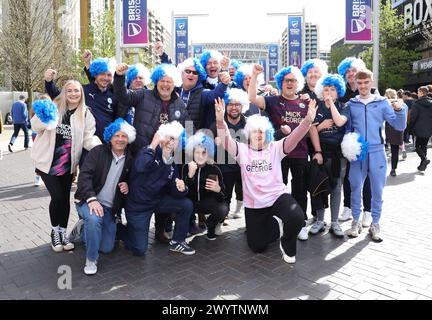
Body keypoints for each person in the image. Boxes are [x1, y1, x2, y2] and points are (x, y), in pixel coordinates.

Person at [214, 96, 317, 264]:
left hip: (277, 196)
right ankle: (276, 224)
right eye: (255, 131)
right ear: (249, 134)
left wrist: (307, 121)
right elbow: (225, 139)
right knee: (258, 246)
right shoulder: (241, 150)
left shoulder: (276, 148)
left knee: (297, 218)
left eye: (262, 131)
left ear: (267, 133)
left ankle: (288, 244)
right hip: (255, 203)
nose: (258, 134)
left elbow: (295, 137)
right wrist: (220, 121)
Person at [328, 69, 407, 242]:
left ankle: (375, 223)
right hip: (358, 153)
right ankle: (355, 222)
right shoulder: (351, 103)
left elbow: (399, 125)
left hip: (377, 151)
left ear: (371, 82)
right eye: (360, 83)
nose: (363, 86)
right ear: (355, 83)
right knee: (355, 188)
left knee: (377, 190)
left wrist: (401, 109)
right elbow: (341, 121)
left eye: (366, 82)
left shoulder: (382, 102)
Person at [248, 64, 322, 241]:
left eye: (293, 80)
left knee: (300, 191)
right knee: (275, 190)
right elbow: (252, 98)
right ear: (281, 82)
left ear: (298, 83)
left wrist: (317, 150)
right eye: (286, 80)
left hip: (300, 154)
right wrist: (254, 76)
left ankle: (301, 223)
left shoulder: (306, 102)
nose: (289, 83)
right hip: (277, 154)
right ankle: (278, 221)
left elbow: (312, 128)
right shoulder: (273, 100)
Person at [30, 80, 101, 252]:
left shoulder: (85, 113)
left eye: (76, 91)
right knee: (58, 197)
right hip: (47, 161)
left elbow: (88, 138)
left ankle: (63, 233)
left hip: (68, 165)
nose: (73, 94)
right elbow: (34, 126)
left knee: (65, 199)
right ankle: (55, 233)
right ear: (64, 92)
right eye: (69, 90)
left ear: (81, 93)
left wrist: (101, 149)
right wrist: (47, 120)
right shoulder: (53, 107)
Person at [73, 118, 134, 275]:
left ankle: (82, 229)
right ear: (110, 137)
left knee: (107, 247)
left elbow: (132, 180)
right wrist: (92, 199)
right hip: (88, 200)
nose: (120, 139)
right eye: (116, 135)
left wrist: (127, 185)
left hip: (109, 208)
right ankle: (91, 259)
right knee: (93, 219)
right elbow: (84, 177)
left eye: (124, 136)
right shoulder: (98, 152)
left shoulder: (130, 159)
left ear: (129, 139)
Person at [124, 121, 195, 256]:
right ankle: (118, 230)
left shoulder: (172, 162)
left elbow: (174, 191)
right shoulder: (148, 152)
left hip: (156, 201)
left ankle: (178, 242)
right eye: (169, 137)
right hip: (138, 206)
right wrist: (153, 144)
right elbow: (140, 166)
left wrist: (183, 187)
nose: (170, 142)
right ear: (161, 138)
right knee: (139, 249)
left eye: (175, 140)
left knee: (186, 204)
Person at [113, 63, 190, 155]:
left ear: (174, 84)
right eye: (162, 81)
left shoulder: (180, 103)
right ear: (156, 82)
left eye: (169, 81)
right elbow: (123, 96)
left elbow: (189, 126)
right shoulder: (143, 94)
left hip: (166, 158)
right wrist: (119, 77)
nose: (165, 84)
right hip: (141, 154)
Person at [44, 56, 120, 142]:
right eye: (102, 74)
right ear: (95, 75)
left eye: (109, 75)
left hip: (107, 144)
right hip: (85, 143)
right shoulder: (83, 90)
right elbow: (60, 97)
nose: (106, 78)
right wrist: (49, 82)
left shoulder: (114, 95)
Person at [308, 74, 347, 238]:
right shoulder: (315, 106)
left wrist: (332, 106)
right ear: (320, 91)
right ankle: (320, 220)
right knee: (319, 187)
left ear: (338, 91)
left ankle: (335, 222)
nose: (329, 92)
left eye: (332, 89)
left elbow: (339, 122)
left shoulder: (344, 106)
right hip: (321, 154)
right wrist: (317, 151)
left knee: (337, 188)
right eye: (326, 89)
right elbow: (311, 130)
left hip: (339, 156)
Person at [337, 57, 372, 225]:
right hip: (347, 142)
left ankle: (368, 211)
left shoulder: (369, 90)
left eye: (353, 70)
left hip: (367, 140)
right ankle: (348, 206)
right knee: (348, 176)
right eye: (347, 71)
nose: (350, 74)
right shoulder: (341, 92)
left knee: (367, 176)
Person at [182, 131, 228, 240]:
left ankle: (210, 225)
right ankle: (187, 225)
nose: (200, 156)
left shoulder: (214, 169)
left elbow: (223, 196)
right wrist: (190, 176)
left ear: (208, 153)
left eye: (204, 152)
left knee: (223, 208)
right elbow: (182, 192)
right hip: (191, 203)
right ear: (192, 153)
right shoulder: (186, 167)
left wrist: (218, 189)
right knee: (177, 208)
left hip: (207, 202)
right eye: (197, 152)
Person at [384, 89, 407, 176]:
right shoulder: (402, 104)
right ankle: (393, 169)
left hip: (387, 128)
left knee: (382, 149)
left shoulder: (385, 104)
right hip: (398, 129)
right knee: (395, 150)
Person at [410, 86, 432, 171]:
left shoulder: (416, 103)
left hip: (418, 127)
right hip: (429, 127)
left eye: (418, 92)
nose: (417, 94)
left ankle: (424, 160)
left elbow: (413, 117)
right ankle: (423, 164)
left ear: (422, 93)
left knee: (417, 146)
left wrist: (410, 126)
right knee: (424, 145)